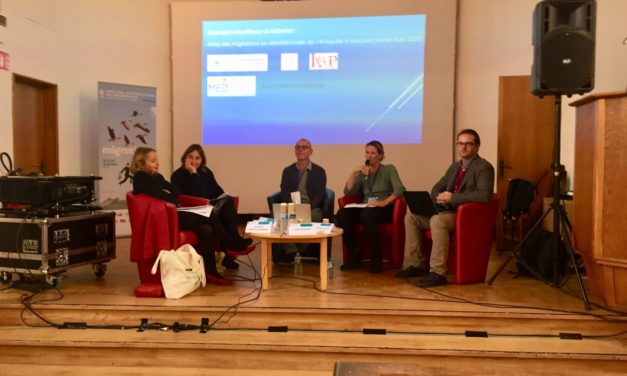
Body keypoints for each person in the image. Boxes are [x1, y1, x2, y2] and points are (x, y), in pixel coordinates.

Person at [395, 129, 495, 287]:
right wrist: (439, 197)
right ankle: (416, 265)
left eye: (468, 144)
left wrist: (453, 198)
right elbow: (436, 187)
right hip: (445, 210)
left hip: (464, 215)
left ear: (477, 147)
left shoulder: (484, 167)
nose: (463, 147)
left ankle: (437, 272)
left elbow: (484, 195)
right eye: (460, 143)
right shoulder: (455, 166)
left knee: (437, 221)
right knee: (411, 217)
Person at [131, 147, 235, 286]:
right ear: (140, 163)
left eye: (157, 160)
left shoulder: (156, 176)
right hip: (166, 218)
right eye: (153, 161)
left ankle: (211, 271)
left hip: (173, 213)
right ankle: (231, 244)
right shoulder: (140, 178)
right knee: (208, 213)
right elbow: (163, 196)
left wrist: (167, 193)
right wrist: (167, 193)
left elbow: (175, 191)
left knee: (206, 229)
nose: (157, 164)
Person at [170, 144, 252, 269]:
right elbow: (192, 194)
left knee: (228, 201)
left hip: (208, 207)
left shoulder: (206, 171)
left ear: (202, 160)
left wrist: (223, 196)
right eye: (190, 157)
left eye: (197, 158)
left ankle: (232, 246)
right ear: (185, 158)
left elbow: (216, 189)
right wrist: (194, 173)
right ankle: (233, 244)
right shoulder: (178, 175)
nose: (193, 161)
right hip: (194, 212)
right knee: (218, 214)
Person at [336, 140, 405, 273]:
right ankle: (354, 254)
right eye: (367, 153)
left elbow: (399, 190)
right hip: (366, 207)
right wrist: (354, 172)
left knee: (368, 214)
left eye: (373, 153)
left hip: (384, 208)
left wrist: (384, 202)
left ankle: (376, 257)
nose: (369, 156)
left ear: (381, 155)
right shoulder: (363, 172)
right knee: (342, 214)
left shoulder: (388, 169)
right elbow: (349, 192)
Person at [279, 138, 327, 222]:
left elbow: (320, 194)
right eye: (298, 147)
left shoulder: (319, 171)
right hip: (291, 207)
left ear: (311, 151)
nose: (300, 149)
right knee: (277, 214)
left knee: (315, 216)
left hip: (310, 208)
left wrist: (305, 208)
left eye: (304, 147)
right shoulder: (288, 171)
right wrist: (292, 207)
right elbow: (284, 192)